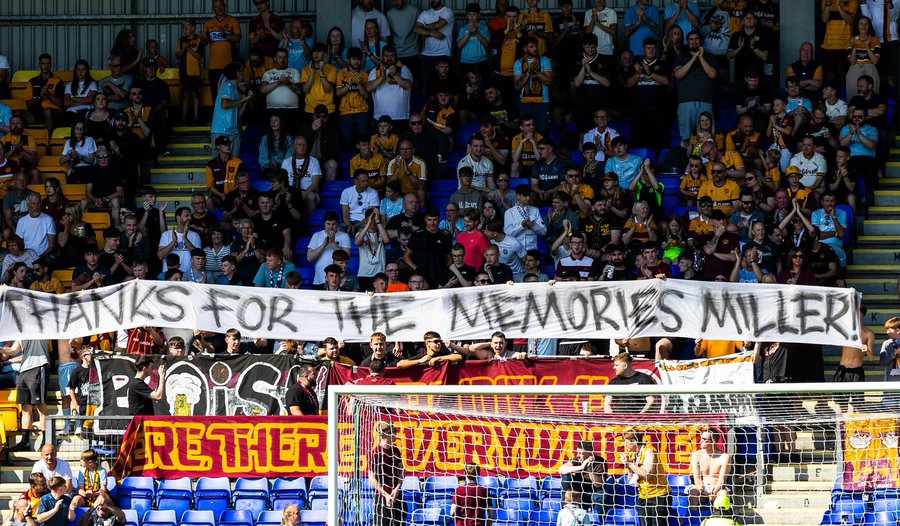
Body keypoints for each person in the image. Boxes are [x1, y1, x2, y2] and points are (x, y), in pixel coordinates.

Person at [3, 340, 50, 452]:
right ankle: (25, 442)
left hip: (39, 365)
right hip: (24, 369)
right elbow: (14, 350)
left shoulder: (41, 328)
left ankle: (45, 440)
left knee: (40, 405)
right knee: (25, 408)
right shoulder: (22, 333)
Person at [620, 428, 669, 526]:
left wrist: (630, 465)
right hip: (643, 496)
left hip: (658, 495)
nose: (624, 445)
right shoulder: (635, 455)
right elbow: (631, 481)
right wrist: (629, 467)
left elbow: (647, 475)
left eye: (626, 442)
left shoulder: (649, 451)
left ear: (634, 441)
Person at [202, 0, 242, 101]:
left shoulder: (232, 20)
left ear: (225, 6)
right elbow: (205, 43)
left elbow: (238, 38)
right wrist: (203, 38)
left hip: (229, 66)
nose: (219, 8)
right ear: (213, 8)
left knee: (229, 94)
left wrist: (226, 36)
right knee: (215, 96)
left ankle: (229, 116)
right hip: (213, 66)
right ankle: (217, 116)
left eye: (221, 6)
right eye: (216, 7)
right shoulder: (208, 23)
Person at [369, 422, 405, 526]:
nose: (396, 434)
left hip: (397, 495)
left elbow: (402, 471)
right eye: (394, 432)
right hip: (382, 497)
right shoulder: (375, 453)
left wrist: (397, 488)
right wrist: (386, 495)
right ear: (386, 434)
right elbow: (372, 478)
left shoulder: (395, 450)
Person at [686, 429, 731, 506]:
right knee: (692, 493)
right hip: (701, 487)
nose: (700, 441)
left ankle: (720, 515)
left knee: (724, 494)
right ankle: (693, 517)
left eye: (704, 439)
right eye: (701, 439)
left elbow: (722, 480)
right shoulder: (696, 455)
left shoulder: (725, 457)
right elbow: (697, 478)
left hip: (717, 488)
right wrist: (702, 490)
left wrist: (714, 493)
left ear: (713, 441)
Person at [558, 440, 607, 511]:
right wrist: (581, 467)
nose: (578, 455)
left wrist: (590, 470)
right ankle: (565, 508)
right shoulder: (577, 459)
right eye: (577, 452)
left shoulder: (600, 462)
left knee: (600, 496)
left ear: (590, 454)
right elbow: (561, 470)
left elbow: (598, 485)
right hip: (578, 490)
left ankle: (598, 519)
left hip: (593, 491)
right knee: (566, 476)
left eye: (581, 453)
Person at [450, 462, 490, 526]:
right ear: (478, 474)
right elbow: (491, 514)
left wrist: (458, 522)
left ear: (464, 473)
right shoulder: (484, 490)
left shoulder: (459, 490)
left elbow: (452, 513)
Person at [397, 332, 463, 369]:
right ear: (427, 343)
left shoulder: (442, 352)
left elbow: (459, 357)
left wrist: (439, 358)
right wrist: (419, 361)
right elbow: (400, 364)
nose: (439, 343)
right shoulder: (422, 354)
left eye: (440, 341)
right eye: (436, 341)